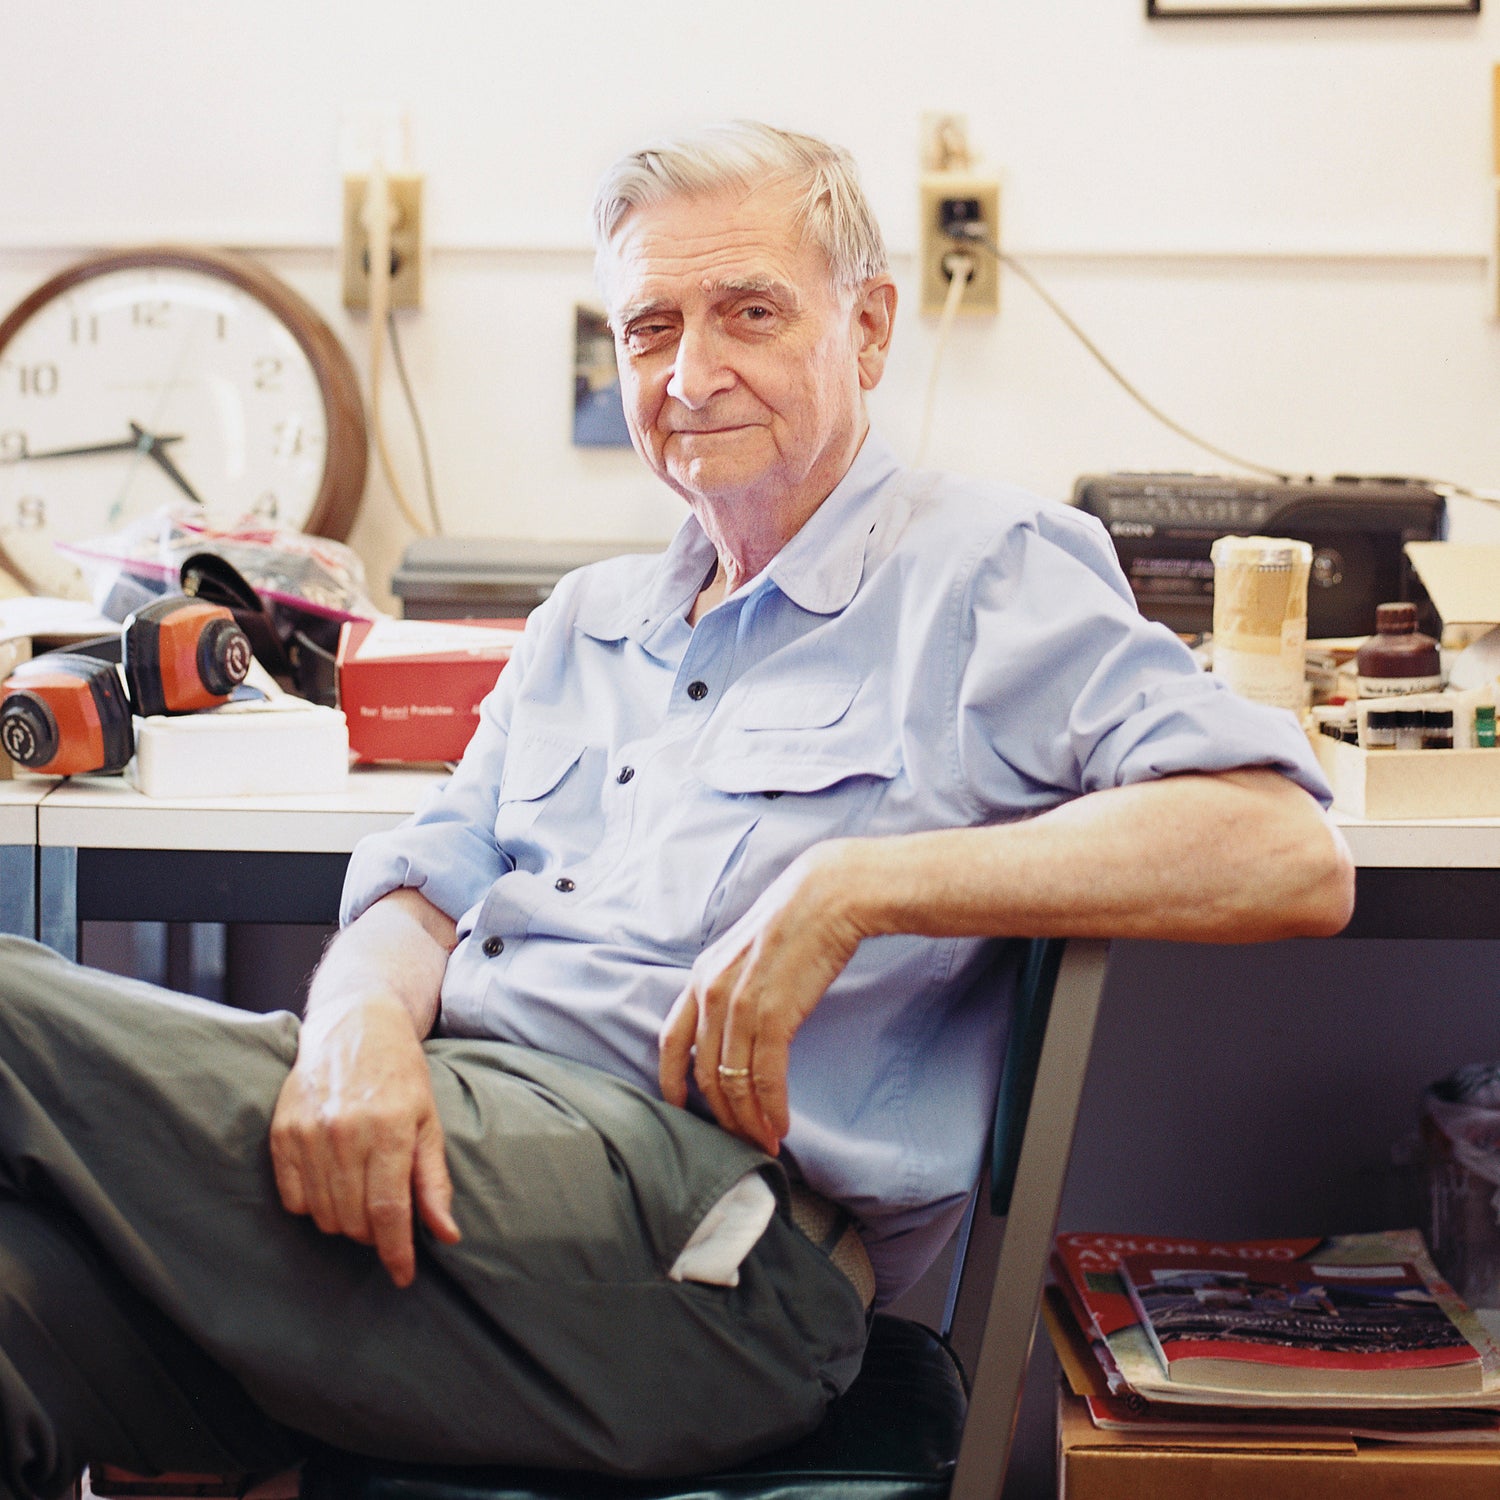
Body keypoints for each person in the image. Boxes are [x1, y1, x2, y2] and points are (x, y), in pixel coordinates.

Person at [0, 122, 1354, 1499]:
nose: (692, 374)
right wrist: (354, 1031)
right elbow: (426, 882)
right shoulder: (586, 622)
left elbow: (1281, 849)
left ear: (870, 327)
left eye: (749, 313)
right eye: (650, 328)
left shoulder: (984, 574)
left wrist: (855, 888)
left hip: (706, 1257)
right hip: (451, 1184)